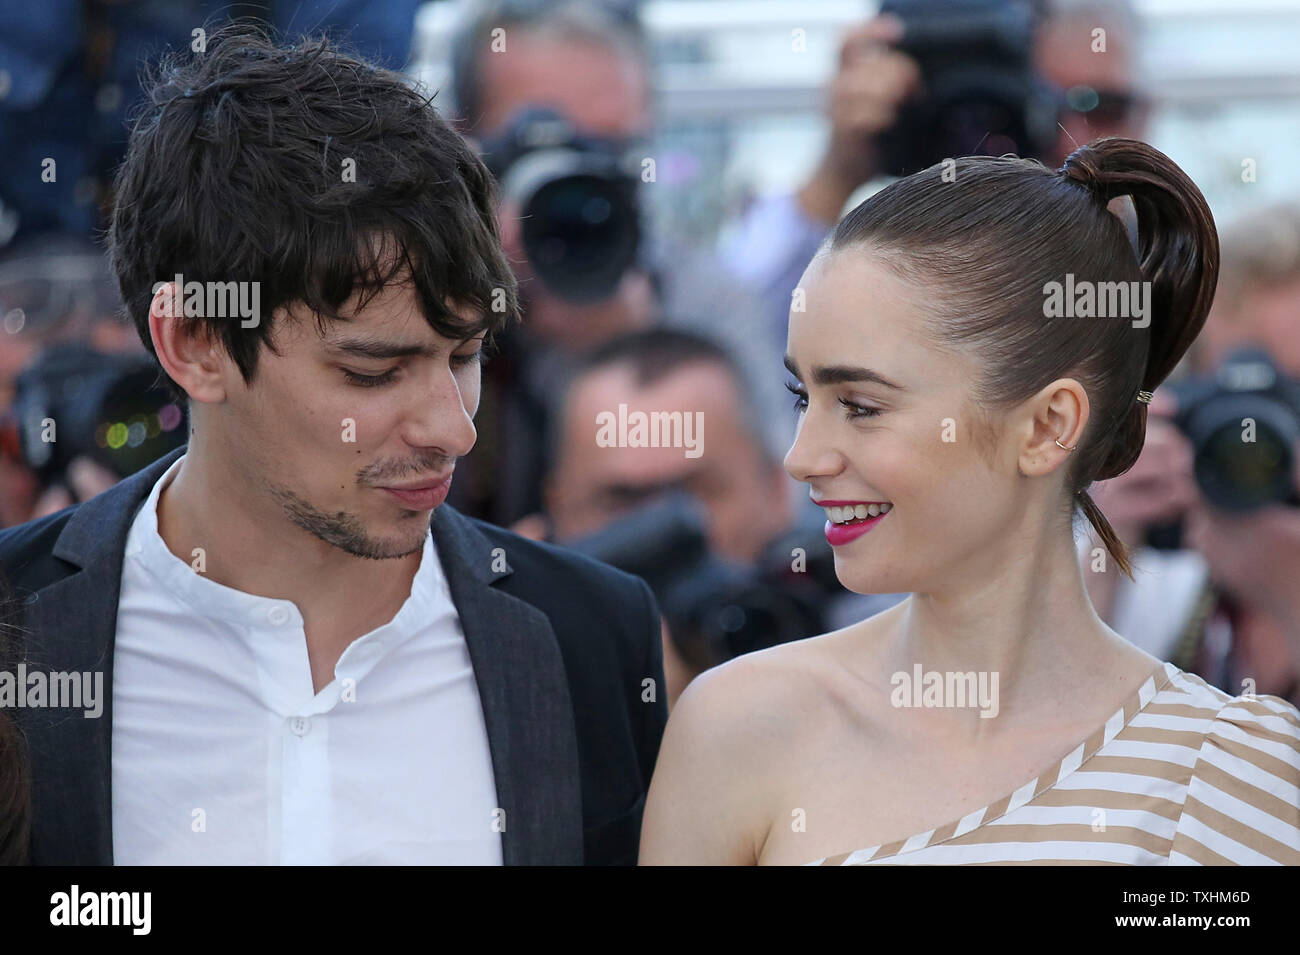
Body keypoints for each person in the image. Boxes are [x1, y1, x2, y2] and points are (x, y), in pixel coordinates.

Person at [0, 27, 666, 866]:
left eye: (465, 356)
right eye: (373, 371)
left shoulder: (592, 635)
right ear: (194, 343)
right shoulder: (15, 624)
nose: (451, 428)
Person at [640, 138, 1300, 865]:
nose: (802, 457)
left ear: (1049, 426)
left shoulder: (1233, 772)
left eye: (859, 405)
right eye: (804, 396)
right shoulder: (740, 724)